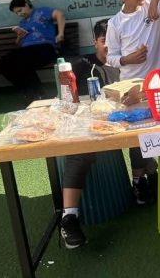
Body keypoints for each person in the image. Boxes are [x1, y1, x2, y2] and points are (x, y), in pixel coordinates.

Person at [106, 0, 160, 206]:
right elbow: (110, 57)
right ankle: (139, 182)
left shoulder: (153, 5)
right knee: (139, 138)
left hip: (159, 85)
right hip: (132, 88)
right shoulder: (115, 23)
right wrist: (127, 59)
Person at [60, 19, 120, 249]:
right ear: (95, 42)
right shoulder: (81, 65)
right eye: (105, 40)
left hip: (122, 122)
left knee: (146, 135)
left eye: (115, 40)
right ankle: (69, 217)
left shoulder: (126, 63)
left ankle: (142, 182)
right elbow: (66, 98)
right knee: (79, 148)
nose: (110, 46)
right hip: (89, 124)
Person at [0, 0, 65, 102]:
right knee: (4, 63)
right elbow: (19, 44)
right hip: (27, 50)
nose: (19, 14)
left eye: (20, 10)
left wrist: (60, 33)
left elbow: (59, 14)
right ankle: (29, 92)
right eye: (17, 13)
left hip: (45, 47)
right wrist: (19, 37)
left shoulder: (42, 12)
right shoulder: (22, 24)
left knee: (23, 62)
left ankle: (38, 94)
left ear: (26, 4)